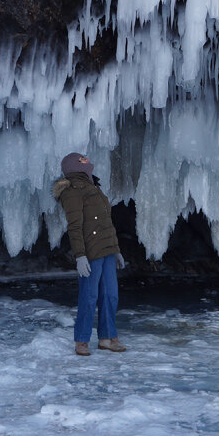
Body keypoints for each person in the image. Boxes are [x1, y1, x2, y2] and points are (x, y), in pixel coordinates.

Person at [52, 152, 127, 356]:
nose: (87, 161)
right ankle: (82, 340)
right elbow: (75, 227)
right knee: (89, 296)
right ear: (74, 165)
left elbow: (106, 224)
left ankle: (107, 338)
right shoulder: (71, 190)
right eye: (83, 159)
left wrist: (117, 250)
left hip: (108, 250)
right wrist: (80, 256)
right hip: (91, 252)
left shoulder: (94, 186)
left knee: (110, 295)